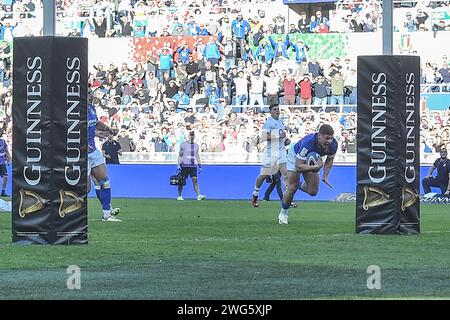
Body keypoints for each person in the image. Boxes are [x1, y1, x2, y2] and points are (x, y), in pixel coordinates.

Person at [278, 124, 337, 224]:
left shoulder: (334, 144)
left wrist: (325, 176)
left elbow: (330, 160)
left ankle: (299, 185)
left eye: (331, 138)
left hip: (311, 159)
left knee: (313, 192)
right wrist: (316, 167)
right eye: (327, 138)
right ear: (319, 136)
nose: (329, 141)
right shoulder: (308, 143)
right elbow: (298, 166)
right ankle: (283, 213)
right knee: (292, 187)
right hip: (296, 156)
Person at [88, 101, 121, 222]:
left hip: (93, 151)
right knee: (85, 188)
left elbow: (95, 123)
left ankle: (107, 214)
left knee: (104, 181)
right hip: (81, 152)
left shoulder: (91, 107)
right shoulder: (75, 107)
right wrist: (97, 134)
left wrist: (108, 129)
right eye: (89, 92)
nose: (92, 95)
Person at [252, 104, 290, 207]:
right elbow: (264, 137)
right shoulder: (268, 123)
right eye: (275, 109)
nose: (277, 111)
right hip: (271, 152)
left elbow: (281, 137)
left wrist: (286, 140)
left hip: (281, 151)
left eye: (278, 109)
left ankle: (288, 198)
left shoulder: (281, 122)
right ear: (270, 111)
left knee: (286, 174)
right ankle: (255, 194)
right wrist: (278, 136)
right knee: (263, 175)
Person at [176, 130, 206, 201]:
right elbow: (180, 155)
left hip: (193, 166)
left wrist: (200, 165)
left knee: (195, 179)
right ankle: (179, 195)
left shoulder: (196, 146)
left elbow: (197, 155)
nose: (191, 136)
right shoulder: (183, 144)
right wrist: (178, 164)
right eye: (190, 135)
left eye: (192, 135)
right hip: (184, 165)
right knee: (182, 181)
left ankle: (198, 195)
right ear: (188, 136)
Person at [0, 130, 11, 197]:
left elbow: (6, 151)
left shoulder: (3, 141)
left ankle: (3, 192)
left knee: (5, 176)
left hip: (2, 163)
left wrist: (9, 159)